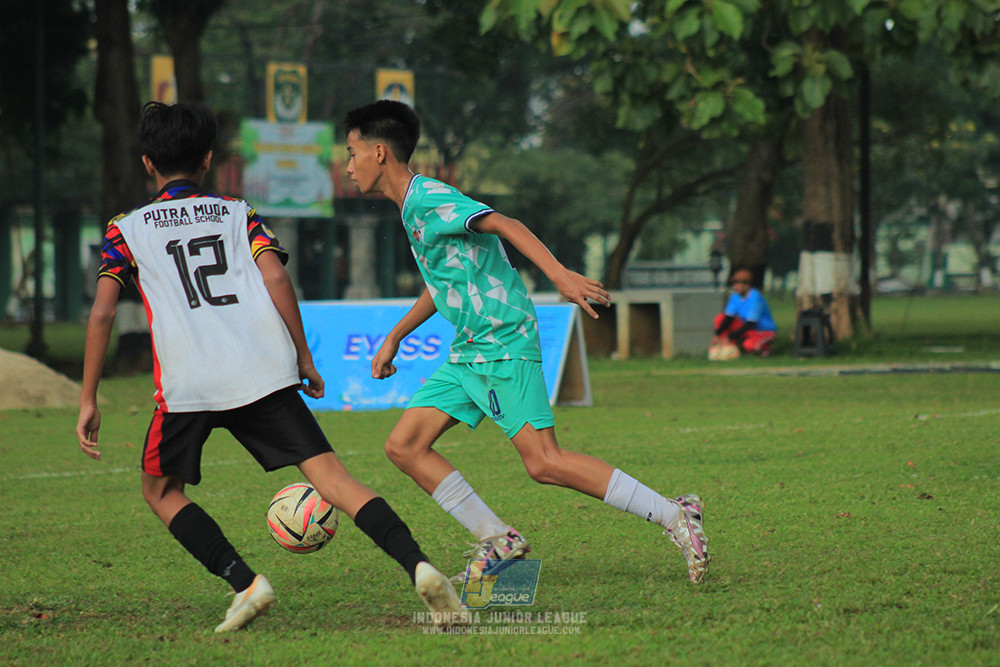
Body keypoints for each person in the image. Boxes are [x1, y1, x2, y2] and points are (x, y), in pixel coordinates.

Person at [75, 101, 462, 633]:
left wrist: (88, 397)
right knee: (335, 481)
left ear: (147, 164)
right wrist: (302, 356)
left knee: (159, 491)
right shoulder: (237, 212)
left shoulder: (127, 228)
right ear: (208, 159)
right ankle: (418, 564)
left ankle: (245, 581)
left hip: (191, 383)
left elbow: (101, 312)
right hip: (263, 370)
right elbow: (277, 279)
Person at [342, 100, 709, 586]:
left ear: (380, 152)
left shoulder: (428, 196)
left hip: (501, 339)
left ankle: (674, 515)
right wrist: (394, 337)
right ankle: (498, 540)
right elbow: (443, 280)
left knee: (544, 462)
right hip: (470, 348)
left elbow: (502, 223)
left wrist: (560, 276)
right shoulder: (412, 208)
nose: (348, 167)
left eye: (352, 152)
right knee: (405, 445)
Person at [712, 268, 777, 357]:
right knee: (720, 318)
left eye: (736, 283)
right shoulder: (735, 297)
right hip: (749, 329)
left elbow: (751, 323)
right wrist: (718, 335)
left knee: (749, 345)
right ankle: (728, 347)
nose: (734, 286)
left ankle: (766, 349)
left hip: (763, 331)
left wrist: (730, 337)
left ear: (746, 285)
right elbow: (728, 318)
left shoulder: (755, 297)